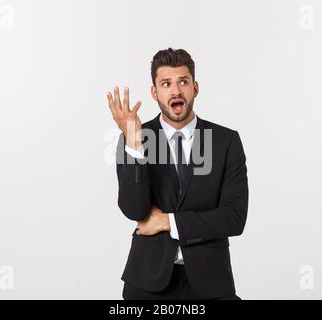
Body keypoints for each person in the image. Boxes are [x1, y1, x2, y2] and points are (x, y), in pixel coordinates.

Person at [106, 48, 248, 300]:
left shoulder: (226, 141)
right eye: (166, 83)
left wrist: (167, 222)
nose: (176, 90)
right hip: (148, 284)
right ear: (154, 92)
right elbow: (133, 210)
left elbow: (234, 218)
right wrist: (135, 144)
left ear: (195, 88)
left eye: (183, 82)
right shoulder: (134, 138)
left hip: (211, 283)